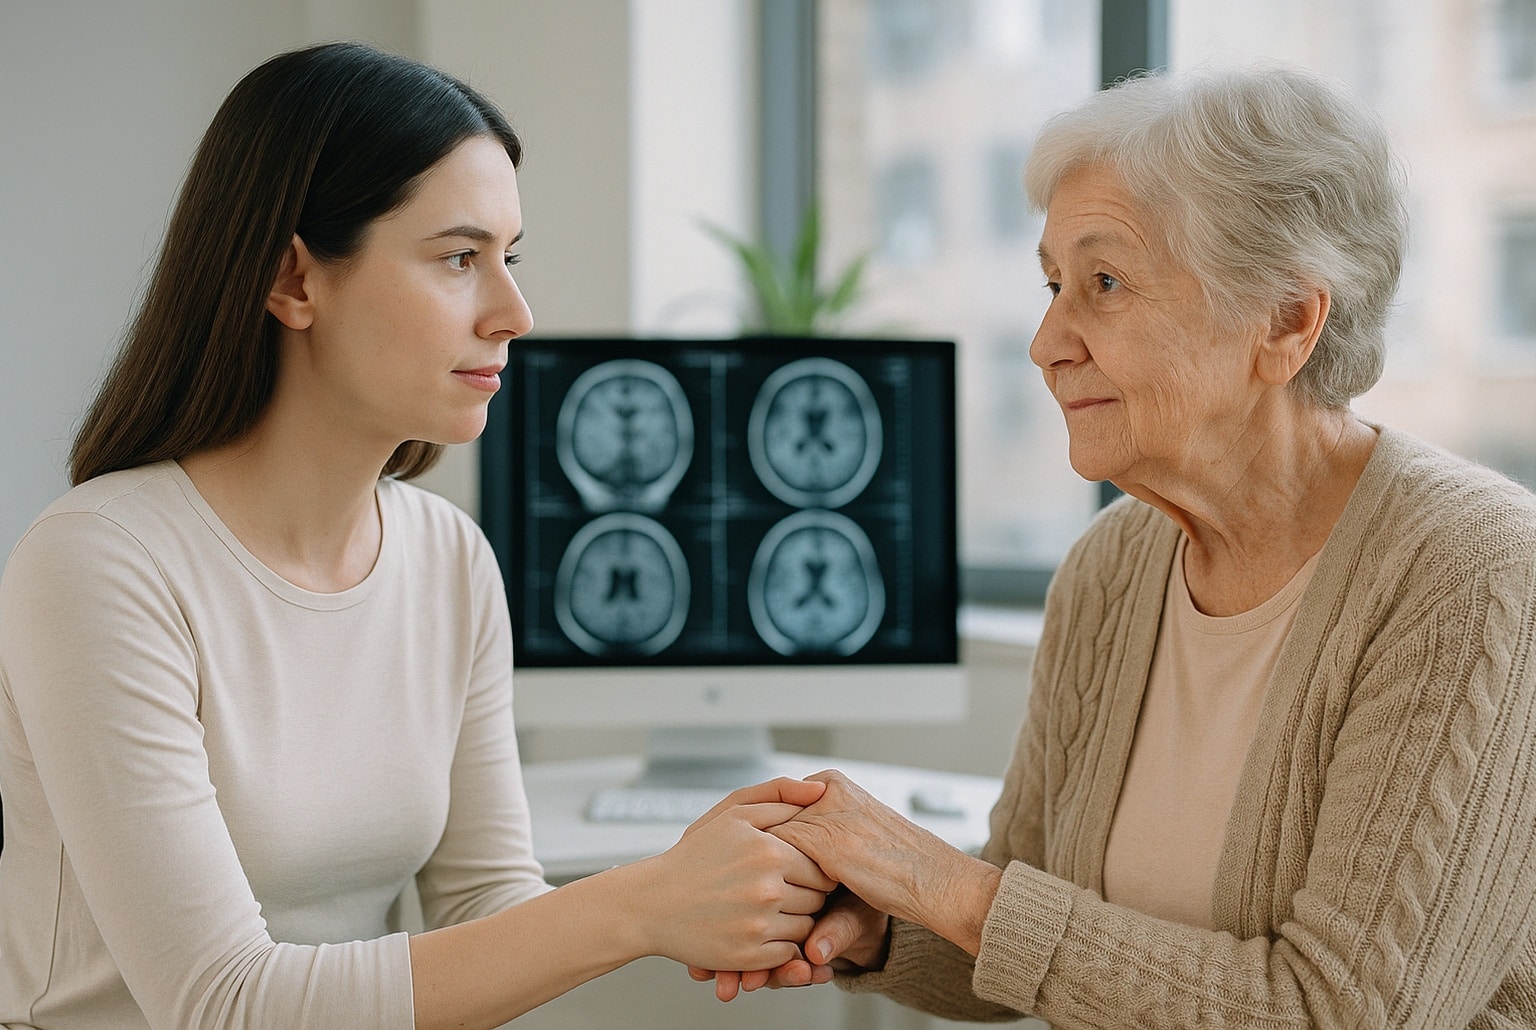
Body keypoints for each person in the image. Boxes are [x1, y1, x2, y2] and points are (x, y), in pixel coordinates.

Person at [0, 41, 836, 1030]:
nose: (514, 313)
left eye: (509, 259)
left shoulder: (449, 559)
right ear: (293, 280)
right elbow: (222, 1004)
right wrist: (642, 903)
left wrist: (720, 904)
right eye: (458, 259)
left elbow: (490, 906)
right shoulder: (100, 562)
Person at [694, 66, 1536, 1026]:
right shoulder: (1111, 568)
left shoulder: (1476, 574)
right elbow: (1027, 923)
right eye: (1053, 285)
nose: (1047, 341)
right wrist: (887, 923)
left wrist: (944, 884)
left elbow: (1349, 1012)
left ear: (1287, 321)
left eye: (1104, 282)